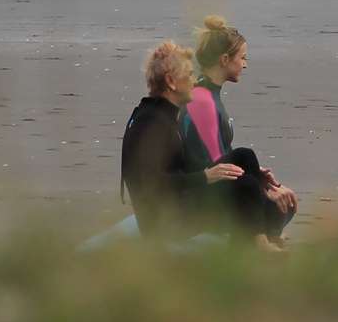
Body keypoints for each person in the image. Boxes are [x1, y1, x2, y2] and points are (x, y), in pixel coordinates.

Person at [181, 15, 298, 246]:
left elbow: (226, 155)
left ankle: (267, 235)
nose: (245, 64)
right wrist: (256, 183)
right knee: (262, 190)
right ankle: (258, 242)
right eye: (242, 58)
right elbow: (217, 164)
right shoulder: (202, 100)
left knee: (283, 198)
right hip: (200, 195)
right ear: (225, 59)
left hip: (217, 184)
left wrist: (259, 176)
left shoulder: (208, 93)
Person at [119, 40, 246, 241]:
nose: (194, 81)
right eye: (188, 75)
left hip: (175, 209)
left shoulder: (156, 114)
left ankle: (260, 235)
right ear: (171, 81)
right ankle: (258, 238)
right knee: (242, 178)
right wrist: (205, 177)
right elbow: (153, 184)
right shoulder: (153, 124)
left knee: (242, 157)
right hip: (166, 223)